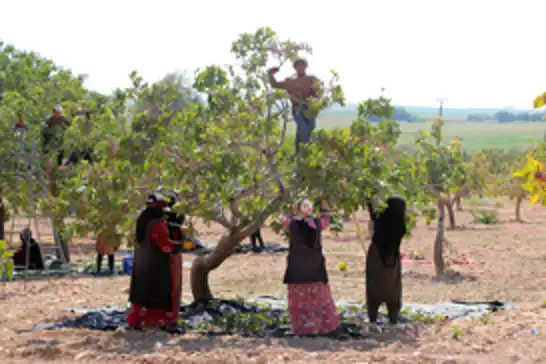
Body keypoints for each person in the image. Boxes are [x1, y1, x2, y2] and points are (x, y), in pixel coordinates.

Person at [282, 199, 339, 336]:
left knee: (300, 300)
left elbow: (285, 219)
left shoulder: (292, 224)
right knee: (318, 298)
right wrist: (325, 206)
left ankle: (303, 328)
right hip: (315, 268)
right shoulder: (318, 224)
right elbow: (326, 219)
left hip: (297, 269)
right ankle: (321, 326)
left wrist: (290, 210)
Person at [127, 193, 183, 330]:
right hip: (156, 265)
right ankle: (160, 321)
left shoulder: (142, 221)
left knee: (142, 292)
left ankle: (140, 320)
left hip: (142, 263)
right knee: (157, 293)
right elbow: (165, 246)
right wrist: (178, 245)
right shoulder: (157, 225)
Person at [365, 197, 407, 325]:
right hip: (392, 259)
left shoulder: (380, 221)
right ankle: (393, 317)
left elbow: (374, 214)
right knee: (393, 289)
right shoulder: (400, 227)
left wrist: (370, 198)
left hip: (376, 256)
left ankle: (372, 317)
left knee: (373, 287)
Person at [268, 59, 321, 153]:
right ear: (295, 68)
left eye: (302, 65)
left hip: (310, 109)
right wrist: (271, 74)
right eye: (298, 66)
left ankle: (299, 153)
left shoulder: (311, 79)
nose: (300, 68)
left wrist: (315, 97)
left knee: (310, 130)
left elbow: (318, 94)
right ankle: (306, 153)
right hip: (297, 109)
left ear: (306, 67)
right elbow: (275, 85)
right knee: (304, 130)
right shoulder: (290, 81)